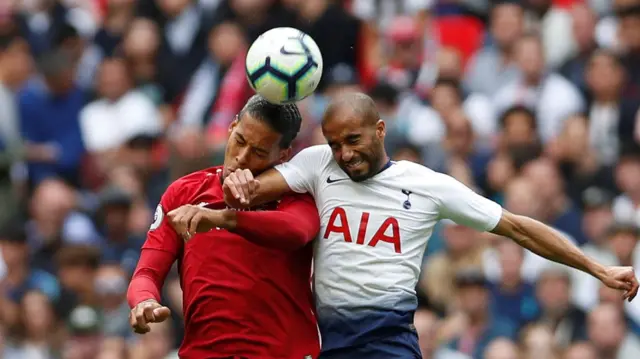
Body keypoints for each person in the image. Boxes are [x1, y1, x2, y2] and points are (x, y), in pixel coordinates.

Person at [172, 92, 639, 359]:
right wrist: (234, 187)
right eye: (335, 143)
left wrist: (597, 268)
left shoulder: (427, 185)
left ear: (379, 130)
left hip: (388, 345)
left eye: (353, 140)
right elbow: (255, 186)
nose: (345, 153)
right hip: (328, 348)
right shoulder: (318, 165)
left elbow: (516, 227)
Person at [126, 95, 321, 359]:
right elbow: (146, 273)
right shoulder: (185, 192)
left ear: (283, 155)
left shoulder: (296, 194)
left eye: (259, 152)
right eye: (239, 140)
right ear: (231, 127)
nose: (241, 158)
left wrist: (224, 218)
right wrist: (144, 301)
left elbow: (296, 231)